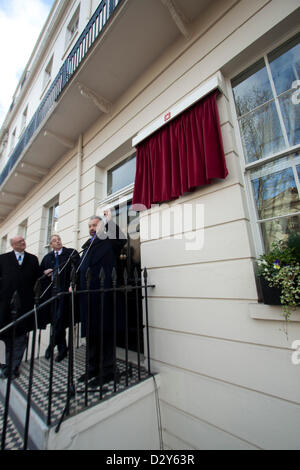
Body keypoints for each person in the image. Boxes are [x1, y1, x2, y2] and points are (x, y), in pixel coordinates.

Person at [78, 210, 126, 386]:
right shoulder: (86, 247)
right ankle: (92, 369)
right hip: (88, 298)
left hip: (104, 297)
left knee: (105, 335)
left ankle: (108, 371)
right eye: (90, 226)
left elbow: (121, 240)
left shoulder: (109, 242)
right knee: (91, 335)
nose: (92, 228)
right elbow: (80, 270)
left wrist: (109, 221)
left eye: (95, 225)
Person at [0, 236, 40, 379]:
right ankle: (3, 364)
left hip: (25, 305)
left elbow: (38, 279)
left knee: (20, 337)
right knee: (4, 336)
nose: (23, 243)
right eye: (19, 242)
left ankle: (14, 367)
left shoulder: (33, 259)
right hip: (4, 305)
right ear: (12, 245)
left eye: (23, 241)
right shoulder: (3, 259)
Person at [40, 234, 80, 362]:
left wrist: (73, 283)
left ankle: (52, 344)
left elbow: (77, 269)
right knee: (56, 320)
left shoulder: (70, 253)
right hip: (52, 292)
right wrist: (45, 273)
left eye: (59, 240)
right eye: (54, 241)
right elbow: (40, 272)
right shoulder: (47, 258)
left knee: (60, 317)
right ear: (51, 245)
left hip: (65, 291)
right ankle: (62, 349)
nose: (57, 242)